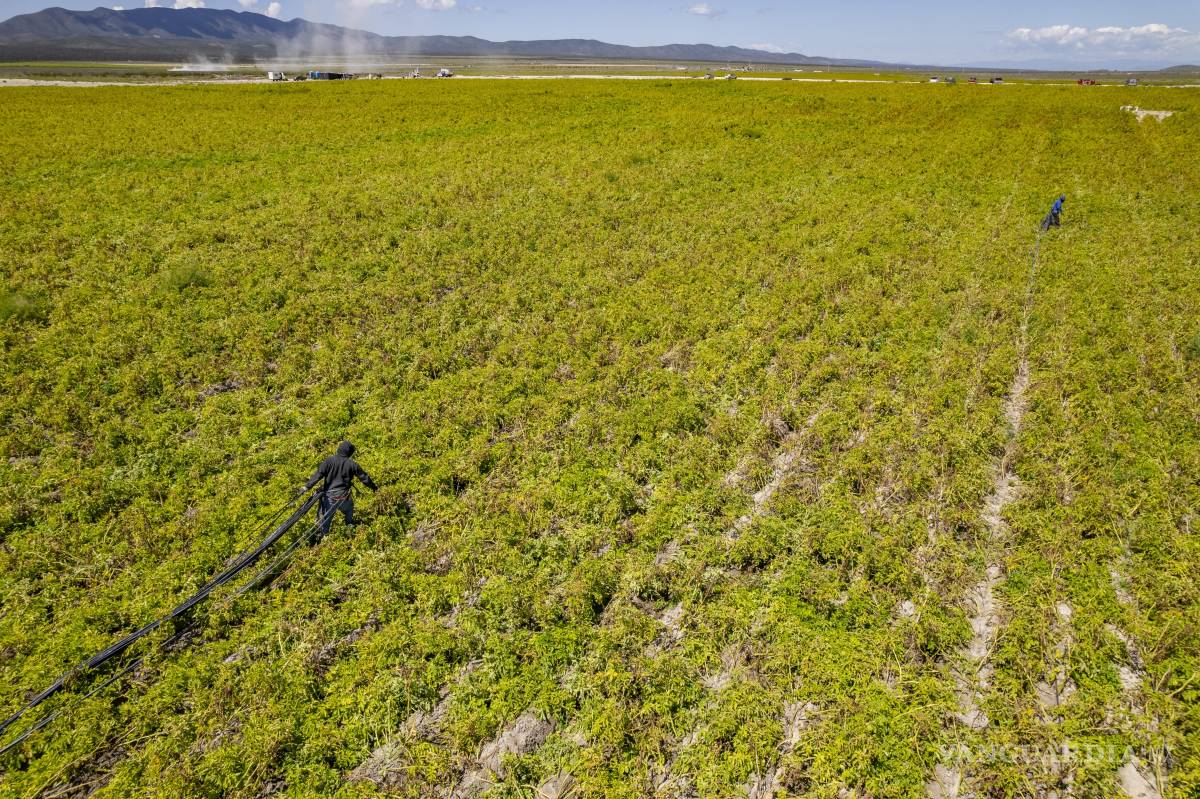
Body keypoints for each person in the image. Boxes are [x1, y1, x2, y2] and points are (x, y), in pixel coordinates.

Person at [303, 441, 378, 541]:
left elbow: (318, 475)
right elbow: (364, 478)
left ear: (339, 449)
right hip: (344, 497)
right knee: (349, 510)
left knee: (326, 521)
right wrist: (375, 488)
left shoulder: (329, 461)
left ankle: (324, 539)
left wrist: (306, 487)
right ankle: (349, 529)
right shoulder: (352, 464)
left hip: (329, 498)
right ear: (349, 452)